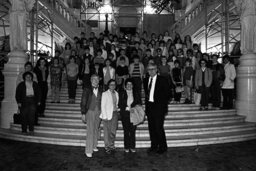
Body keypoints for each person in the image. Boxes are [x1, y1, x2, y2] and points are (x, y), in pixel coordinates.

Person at [143, 63, 170, 154]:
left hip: (159, 108)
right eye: (149, 69)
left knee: (158, 128)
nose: (151, 71)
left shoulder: (163, 79)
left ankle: (163, 147)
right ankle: (154, 146)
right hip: (149, 107)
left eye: (153, 69)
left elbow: (168, 94)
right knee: (151, 128)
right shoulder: (145, 80)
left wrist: (162, 105)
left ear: (157, 69)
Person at [81, 74, 102, 158]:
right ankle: (88, 150)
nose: (95, 80)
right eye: (94, 79)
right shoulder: (87, 89)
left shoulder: (101, 89)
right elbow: (83, 101)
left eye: (97, 79)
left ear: (99, 80)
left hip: (99, 111)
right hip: (90, 110)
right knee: (90, 130)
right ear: (91, 80)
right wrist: (83, 113)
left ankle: (94, 145)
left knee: (96, 128)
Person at [118, 78, 142, 153]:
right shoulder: (121, 93)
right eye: (128, 84)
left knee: (132, 131)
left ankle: (132, 146)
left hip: (133, 114)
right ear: (125, 86)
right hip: (125, 114)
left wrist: (134, 108)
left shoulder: (136, 93)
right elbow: (119, 103)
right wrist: (125, 107)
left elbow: (139, 103)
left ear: (133, 85)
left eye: (130, 84)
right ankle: (126, 146)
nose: (129, 85)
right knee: (126, 131)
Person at [100, 79, 119, 154]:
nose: (113, 86)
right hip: (107, 115)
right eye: (111, 84)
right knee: (107, 132)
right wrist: (105, 116)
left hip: (115, 114)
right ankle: (107, 146)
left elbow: (116, 104)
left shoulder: (117, 93)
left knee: (113, 131)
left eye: (114, 84)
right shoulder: (105, 94)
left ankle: (111, 145)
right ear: (108, 85)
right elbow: (102, 105)